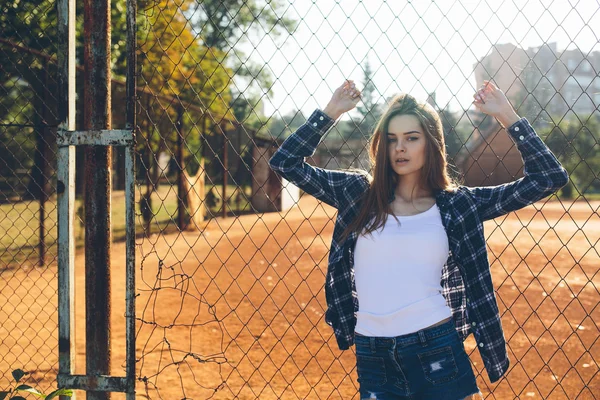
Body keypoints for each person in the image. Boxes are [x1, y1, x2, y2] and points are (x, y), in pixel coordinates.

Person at [268, 80, 569, 399]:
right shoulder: (358, 195)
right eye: (392, 139)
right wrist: (331, 112)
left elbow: (549, 177)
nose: (400, 148)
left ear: (432, 145)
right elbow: (285, 162)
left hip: (436, 346)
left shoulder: (458, 205)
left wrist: (507, 115)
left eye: (412, 138)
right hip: (374, 353)